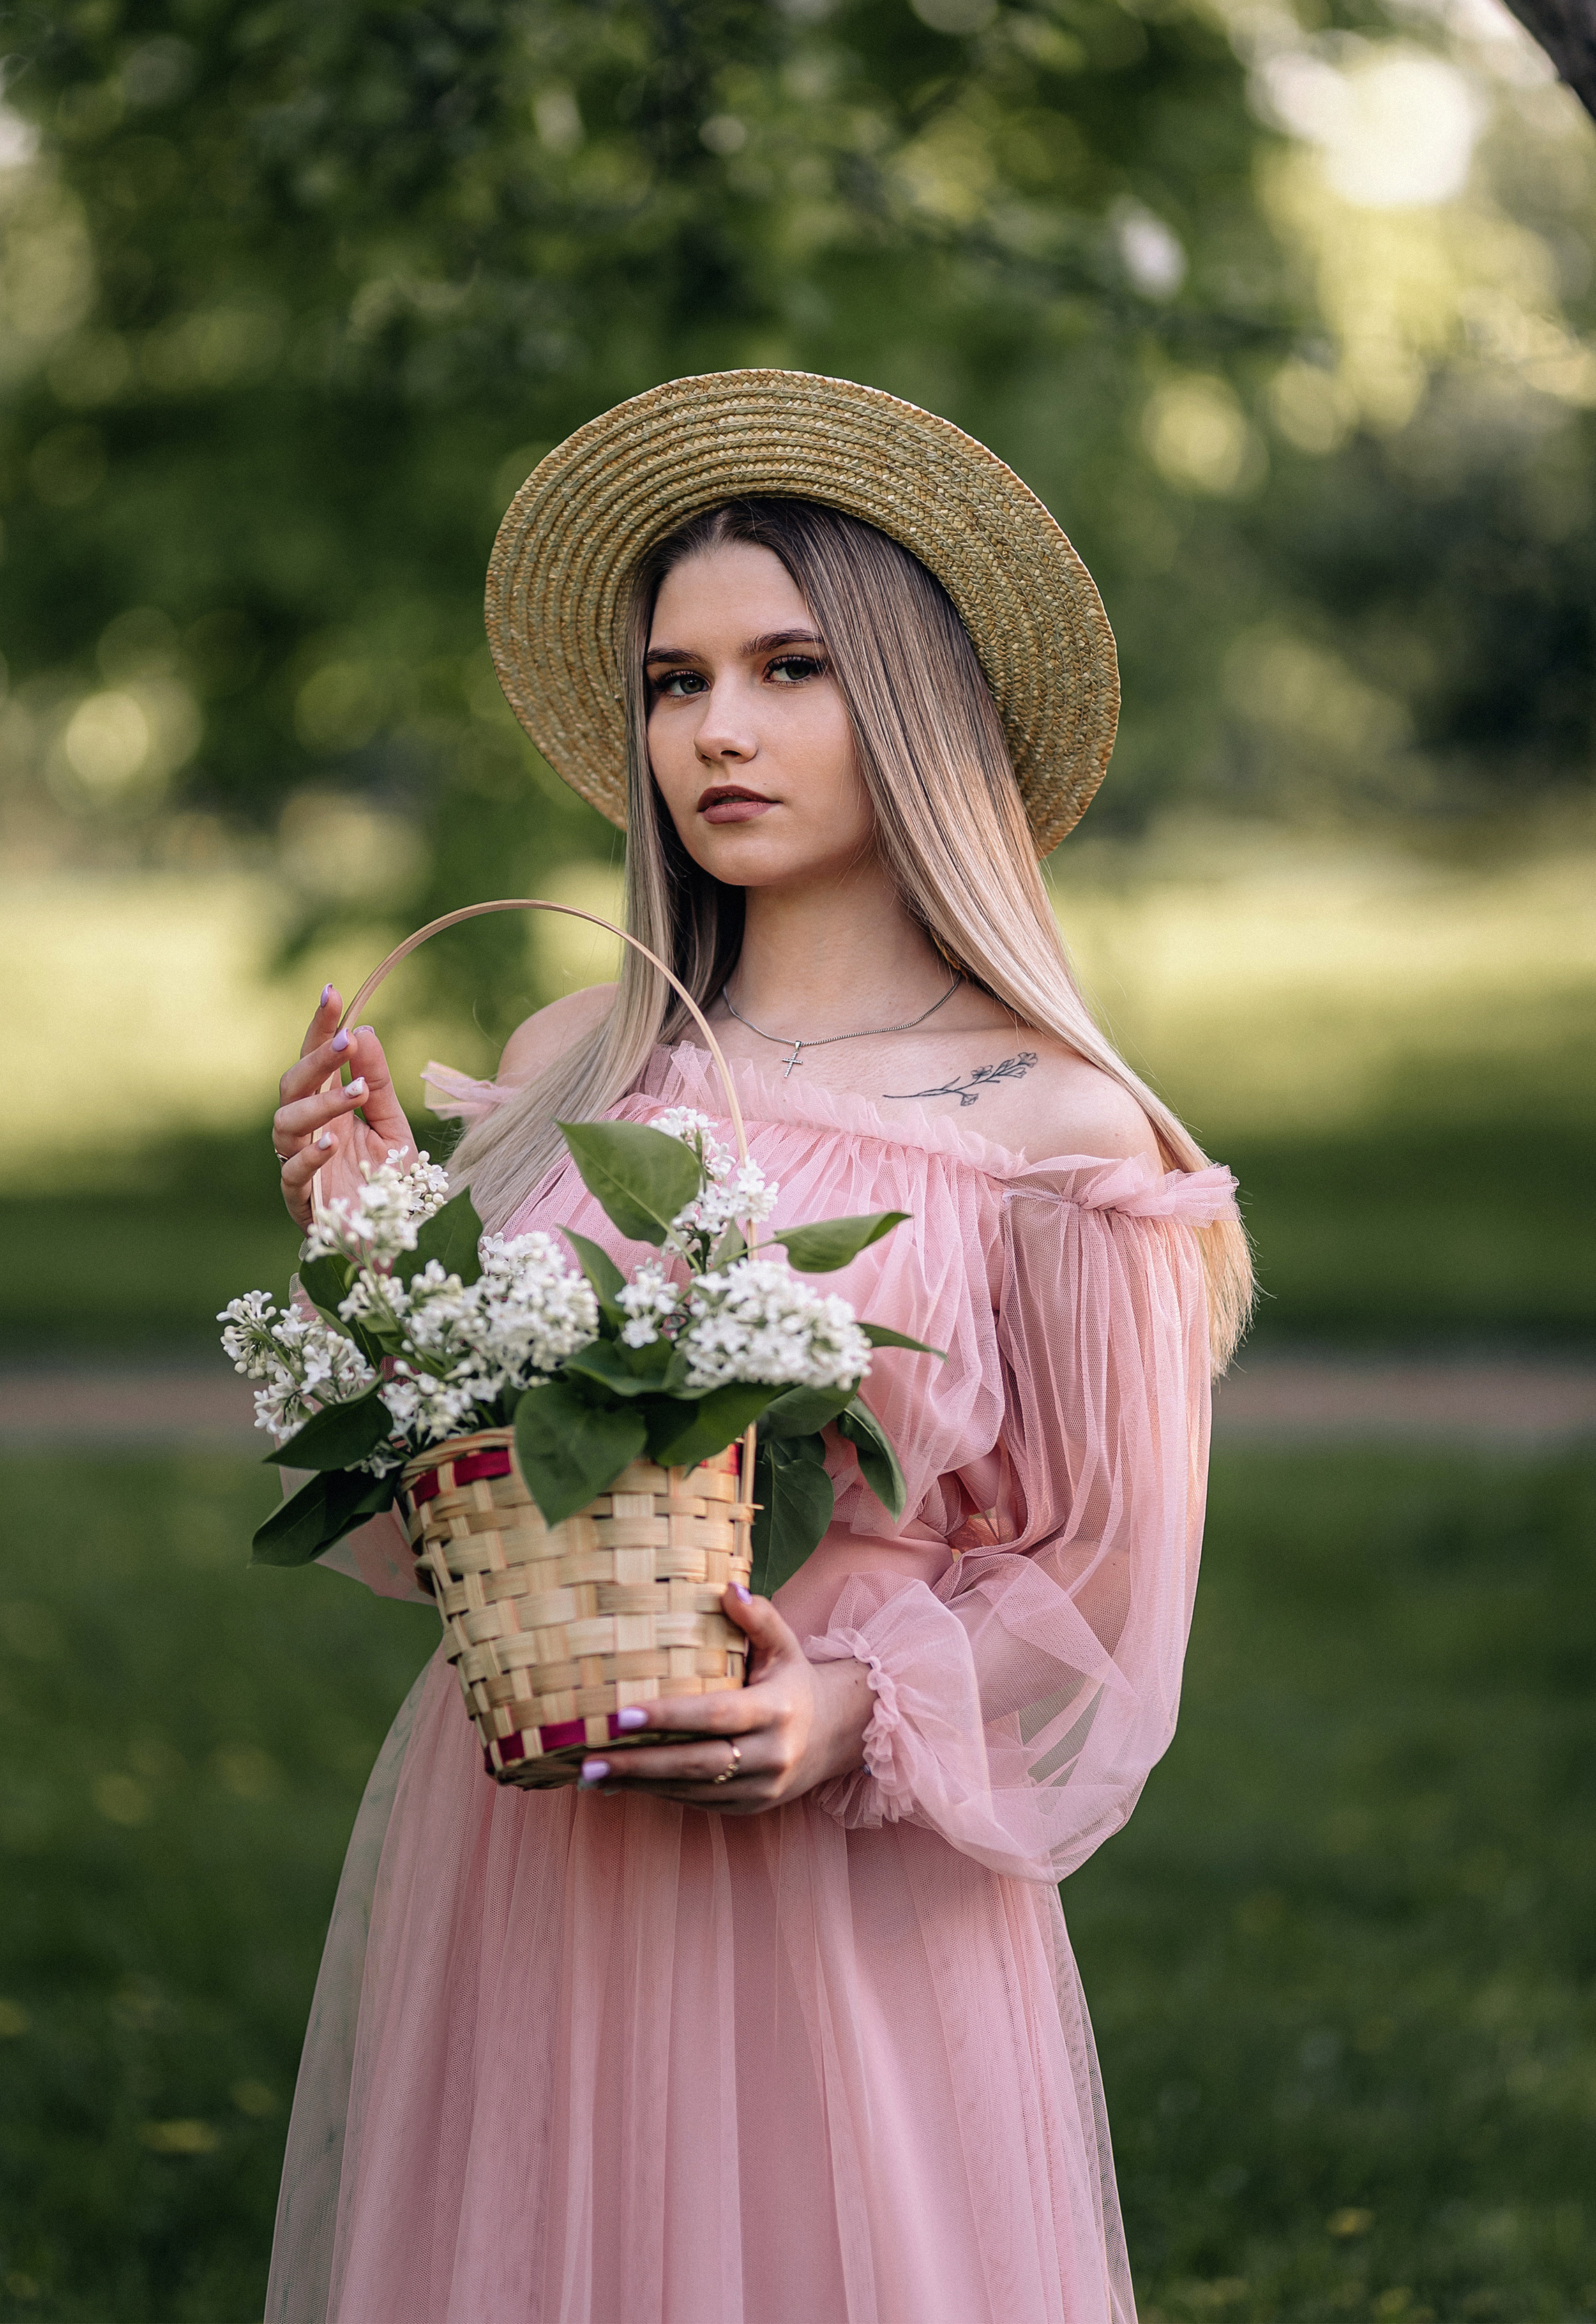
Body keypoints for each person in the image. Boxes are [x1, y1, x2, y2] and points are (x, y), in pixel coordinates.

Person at [264, 370, 1252, 2324]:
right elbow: (448, 1528)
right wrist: (373, 1247)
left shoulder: (1052, 1130)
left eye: (790, 667)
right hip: (542, 1848)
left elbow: (1104, 1608)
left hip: (844, 1863)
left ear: (912, 703)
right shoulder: (577, 1059)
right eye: (673, 680)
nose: (715, 727)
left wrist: (858, 1713)